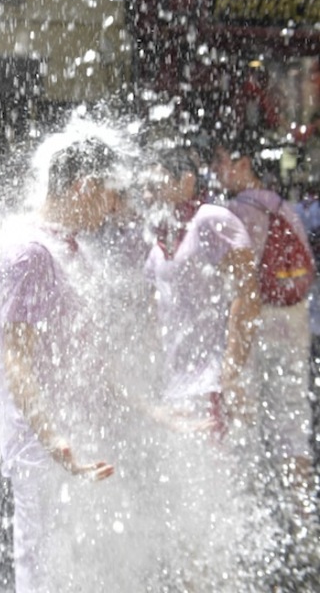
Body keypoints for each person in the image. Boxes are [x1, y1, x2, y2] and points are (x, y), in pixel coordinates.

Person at [0, 130, 163, 592]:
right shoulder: (29, 252)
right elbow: (16, 358)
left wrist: (149, 410)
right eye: (109, 195)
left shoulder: (70, 248)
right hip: (45, 452)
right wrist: (55, 440)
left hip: (76, 443)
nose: (112, 209)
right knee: (44, 570)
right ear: (85, 186)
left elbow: (89, 355)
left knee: (80, 568)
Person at [142, 145, 265, 588]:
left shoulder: (211, 220)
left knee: (210, 504)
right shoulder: (157, 236)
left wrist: (232, 372)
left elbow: (247, 295)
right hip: (175, 389)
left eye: (157, 177)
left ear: (187, 181)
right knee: (182, 508)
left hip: (210, 383)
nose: (147, 186)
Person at [208, 133, 319, 566]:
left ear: (242, 163)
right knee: (293, 427)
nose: (218, 172)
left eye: (222, 162)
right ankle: (305, 530)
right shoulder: (282, 205)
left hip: (256, 328)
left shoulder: (237, 212)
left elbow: (238, 289)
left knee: (246, 429)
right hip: (293, 323)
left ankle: (254, 537)